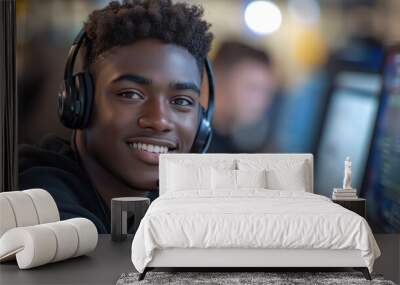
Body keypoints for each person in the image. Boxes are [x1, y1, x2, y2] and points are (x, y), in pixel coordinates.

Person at [18, 0, 214, 233]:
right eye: (131, 94)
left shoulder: (173, 203)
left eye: (181, 101)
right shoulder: (37, 200)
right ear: (79, 103)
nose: (159, 120)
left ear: (201, 122)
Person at [208, 40, 277, 153]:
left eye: (267, 91)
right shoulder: (185, 136)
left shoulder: (247, 148)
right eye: (253, 88)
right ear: (219, 79)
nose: (262, 102)